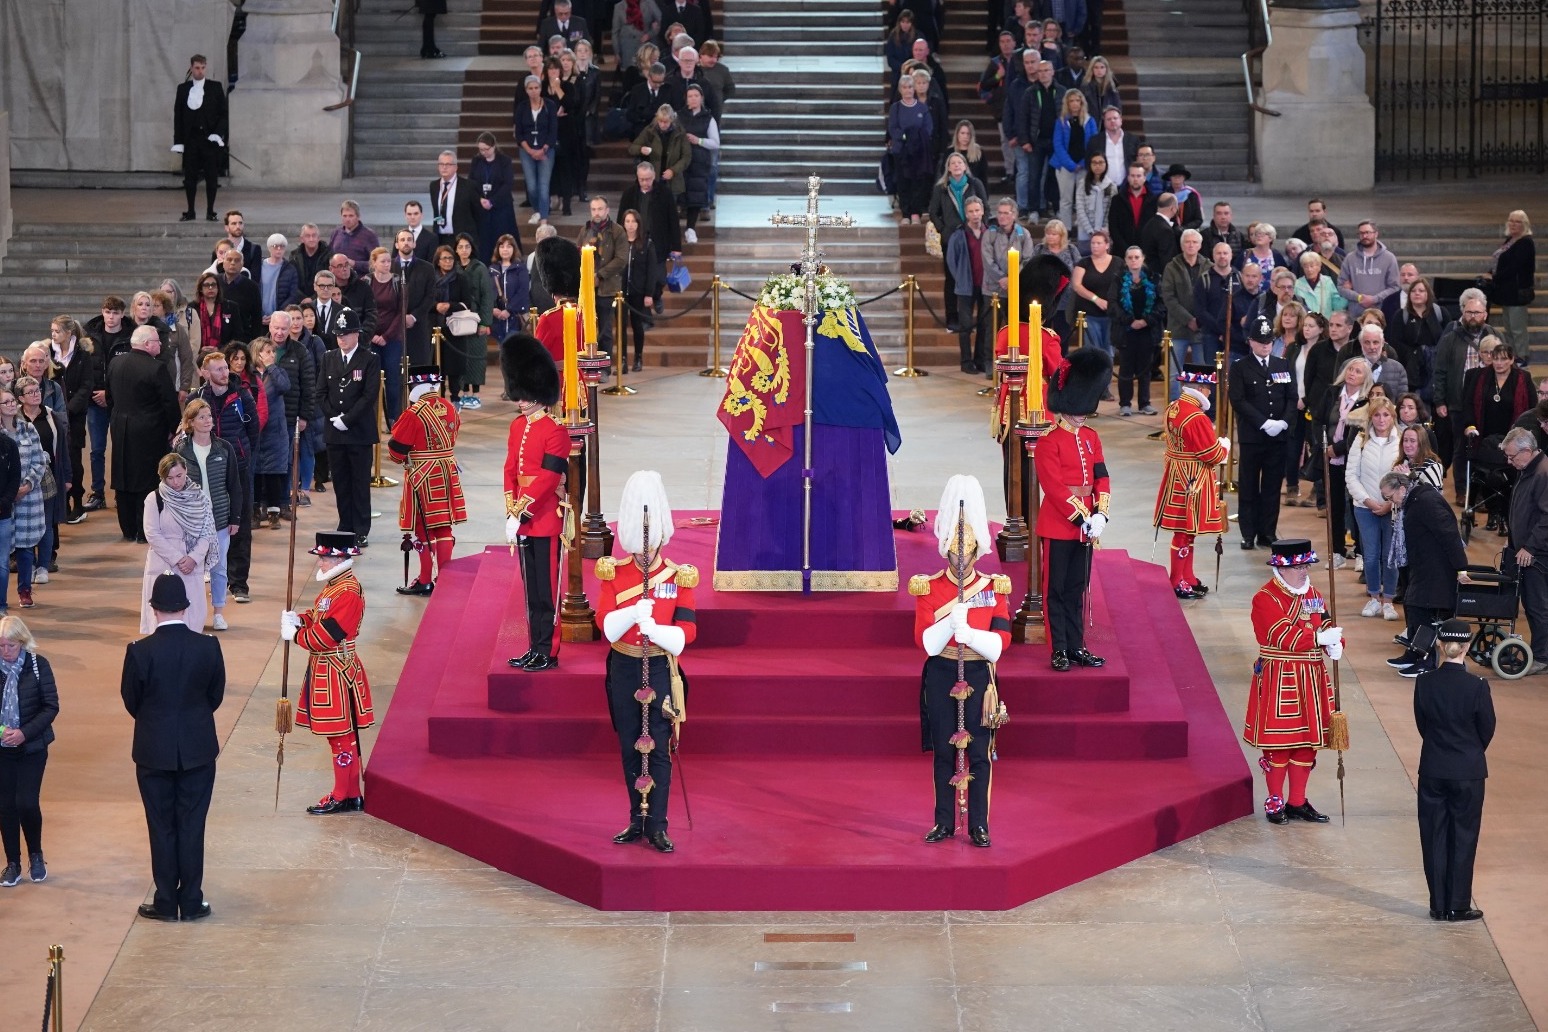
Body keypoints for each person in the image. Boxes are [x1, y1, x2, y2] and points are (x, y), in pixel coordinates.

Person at [593, 470, 696, 854]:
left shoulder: (678, 577)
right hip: (623, 668)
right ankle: (636, 819)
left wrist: (657, 628)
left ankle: (657, 824)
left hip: (659, 669)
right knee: (628, 746)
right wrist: (634, 613)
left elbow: (686, 634)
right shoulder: (614, 574)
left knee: (659, 749)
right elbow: (605, 626)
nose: (645, 552)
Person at [910, 474, 1010, 848]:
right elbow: (926, 643)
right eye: (955, 553)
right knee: (943, 752)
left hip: (979, 674)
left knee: (980, 754)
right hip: (941, 671)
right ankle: (944, 822)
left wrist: (972, 635)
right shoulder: (930, 586)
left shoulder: (993, 587)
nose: (961, 561)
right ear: (946, 551)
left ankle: (979, 824)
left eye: (967, 554)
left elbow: (1000, 645)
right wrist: (949, 624)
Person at [122, 572, 225, 920]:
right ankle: (192, 901)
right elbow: (215, 695)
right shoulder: (208, 646)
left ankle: (166, 901)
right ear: (185, 606)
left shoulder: (139, 652)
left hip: (153, 750)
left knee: (161, 825)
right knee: (193, 824)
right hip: (197, 749)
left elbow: (131, 701)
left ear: (154, 609)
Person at [1243, 539, 1342, 825]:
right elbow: (1280, 636)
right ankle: (1274, 800)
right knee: (1279, 743)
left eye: (1305, 565)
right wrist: (1318, 639)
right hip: (1280, 678)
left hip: (1311, 677)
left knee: (1306, 742)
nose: (1303, 571)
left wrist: (1334, 642)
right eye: (1297, 566)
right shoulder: (1265, 598)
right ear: (1281, 568)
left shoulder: (1312, 592)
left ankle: (1297, 801)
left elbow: (1322, 621)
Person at [281, 532, 374, 815]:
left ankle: (342, 794)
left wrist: (296, 636)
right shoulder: (336, 585)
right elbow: (321, 616)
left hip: (336, 670)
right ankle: (350, 793)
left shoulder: (346, 591)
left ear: (340, 557)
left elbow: (327, 636)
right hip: (327, 668)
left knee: (341, 736)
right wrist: (301, 619)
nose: (320, 562)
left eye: (325, 556)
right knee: (341, 736)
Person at [1412, 617, 1495, 921]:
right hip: (1468, 771)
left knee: (1433, 836)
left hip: (1433, 767)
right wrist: (1469, 753)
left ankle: (1438, 904)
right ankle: (1458, 904)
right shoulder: (1477, 686)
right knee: (1464, 836)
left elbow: (1423, 724)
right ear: (1467, 647)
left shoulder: (1424, 683)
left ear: (1439, 644)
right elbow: (1486, 728)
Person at [1036, 348, 1113, 671]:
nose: (1083, 414)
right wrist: (1082, 515)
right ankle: (1059, 648)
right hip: (1059, 524)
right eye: (1078, 409)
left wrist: (1101, 514)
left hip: (1086, 528)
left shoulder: (1092, 438)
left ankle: (1077, 645)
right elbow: (1053, 487)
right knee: (1055, 589)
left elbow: (1101, 476)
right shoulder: (1048, 441)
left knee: (1076, 589)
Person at [502, 335, 570, 672]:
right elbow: (510, 470)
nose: (520, 399)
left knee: (547, 592)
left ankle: (548, 650)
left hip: (544, 520)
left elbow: (548, 479)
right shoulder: (517, 427)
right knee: (531, 592)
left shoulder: (555, 431)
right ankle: (534, 646)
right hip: (523, 518)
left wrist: (522, 510)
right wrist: (511, 512)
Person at [388, 366, 467, 596]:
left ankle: (424, 579)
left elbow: (396, 451)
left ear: (414, 387)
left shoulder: (413, 413)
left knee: (423, 529)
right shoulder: (451, 407)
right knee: (444, 525)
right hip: (447, 471)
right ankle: (444, 578)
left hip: (423, 475)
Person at [1155, 364, 1229, 598]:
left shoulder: (1173, 407)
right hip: (1193, 479)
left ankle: (1187, 575)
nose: (1210, 393)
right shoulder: (1196, 417)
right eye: (1208, 389)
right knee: (1184, 531)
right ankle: (1177, 579)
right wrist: (1224, 447)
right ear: (1201, 387)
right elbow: (1212, 455)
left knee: (1188, 530)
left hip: (1178, 473)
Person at [1381, 472, 1466, 675]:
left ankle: (1426, 660)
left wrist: (1461, 567)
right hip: (1423, 565)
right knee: (1413, 606)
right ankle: (1415, 654)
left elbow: (1449, 534)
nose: (1390, 502)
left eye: (1389, 497)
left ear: (1402, 488)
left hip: (1437, 568)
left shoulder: (1426, 501)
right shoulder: (1414, 500)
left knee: (1423, 610)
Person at [0, 615, 57, 887]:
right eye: (0, 646)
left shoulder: (38, 665)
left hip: (32, 747)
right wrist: (3, 732)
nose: (5, 651)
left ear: (22, 642)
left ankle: (36, 853)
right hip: (2, 749)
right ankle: (13, 862)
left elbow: (50, 707)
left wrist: (24, 733)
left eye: (10, 646)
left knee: (26, 802)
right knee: (5, 806)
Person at [174, 400, 239, 632]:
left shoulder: (224, 448)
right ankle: (192, 612)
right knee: (192, 567)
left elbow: (234, 485)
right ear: (190, 422)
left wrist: (235, 518)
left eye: (209, 415)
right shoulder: (181, 450)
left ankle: (219, 612)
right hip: (191, 521)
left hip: (220, 519)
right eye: (201, 417)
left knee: (219, 567)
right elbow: (173, 485)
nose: (207, 420)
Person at [1231, 316, 1295, 550]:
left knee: (1271, 487)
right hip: (1252, 437)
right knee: (1248, 486)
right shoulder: (1240, 367)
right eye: (1260, 341)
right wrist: (1263, 422)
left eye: (1268, 340)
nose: (1265, 345)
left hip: (1277, 438)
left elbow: (1291, 397)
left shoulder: (1282, 365)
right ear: (1251, 342)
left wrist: (1284, 423)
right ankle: (1248, 533)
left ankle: (1267, 532)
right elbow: (1238, 400)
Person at [319, 308, 381, 546]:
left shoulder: (369, 359)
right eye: (338, 334)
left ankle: (361, 528)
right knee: (341, 482)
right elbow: (321, 392)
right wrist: (334, 417)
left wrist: (347, 419)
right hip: (335, 432)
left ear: (357, 334)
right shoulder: (329, 358)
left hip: (358, 432)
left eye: (346, 334)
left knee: (359, 482)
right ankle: (345, 524)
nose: (341, 338)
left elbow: (369, 396)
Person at [140, 453, 218, 633]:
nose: (176, 482)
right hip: (163, 565)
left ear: (186, 471)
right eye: (170, 478)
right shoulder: (154, 499)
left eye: (179, 476)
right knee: (161, 622)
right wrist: (178, 559)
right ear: (163, 477)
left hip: (192, 567)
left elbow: (207, 532)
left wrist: (193, 558)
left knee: (192, 620)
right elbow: (152, 533)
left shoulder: (201, 498)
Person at [1346, 398, 1402, 618]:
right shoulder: (1360, 441)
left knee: (1391, 556)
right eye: (1377, 415)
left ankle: (1388, 600)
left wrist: (1390, 502)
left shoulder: (1400, 442)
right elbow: (1351, 475)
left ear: (1392, 418)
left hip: (1393, 509)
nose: (1381, 420)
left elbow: (1404, 477)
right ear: (1370, 418)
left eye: (1386, 415)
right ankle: (1373, 597)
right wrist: (1368, 500)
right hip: (1364, 507)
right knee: (1370, 555)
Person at [1503, 428, 1548, 675]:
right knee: (1534, 604)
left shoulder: (1542, 474)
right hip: (1526, 549)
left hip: (1538, 554)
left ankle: (1542, 656)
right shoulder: (1528, 470)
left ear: (1527, 451)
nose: (1509, 462)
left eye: (1512, 456)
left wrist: (1530, 547)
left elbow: (1546, 517)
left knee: (1537, 605)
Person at [1324, 357, 1373, 568]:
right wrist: (1324, 445)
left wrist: (1338, 448)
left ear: (1366, 379)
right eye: (1350, 369)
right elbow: (1320, 420)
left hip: (1354, 458)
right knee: (1334, 505)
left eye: (1358, 371)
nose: (1352, 373)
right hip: (1331, 458)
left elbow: (1360, 432)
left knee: (1357, 505)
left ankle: (1361, 552)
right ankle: (1337, 551)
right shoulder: (1333, 393)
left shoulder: (1367, 401)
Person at [928, 154, 988, 326]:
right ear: (948, 167)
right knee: (952, 278)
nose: (956, 165)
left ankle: (977, 319)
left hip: (974, 236)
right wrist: (944, 229)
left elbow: (985, 205)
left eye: (959, 162)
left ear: (965, 165)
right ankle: (952, 318)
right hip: (951, 238)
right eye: (952, 163)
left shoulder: (975, 184)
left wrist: (981, 226)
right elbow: (933, 212)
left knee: (976, 276)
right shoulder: (941, 188)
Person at [171, 55, 227, 223]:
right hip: (191, 140)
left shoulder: (215, 88)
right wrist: (178, 141)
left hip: (209, 140)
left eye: (202, 67)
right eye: (197, 68)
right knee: (190, 178)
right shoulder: (183, 89)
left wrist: (217, 133)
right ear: (191, 68)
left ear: (206, 67)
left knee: (211, 177)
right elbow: (178, 117)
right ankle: (190, 211)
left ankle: (211, 211)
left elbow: (223, 114)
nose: (200, 71)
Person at [1111, 244, 1161, 416]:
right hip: (1126, 331)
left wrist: (1146, 321)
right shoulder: (1118, 279)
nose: (1134, 260)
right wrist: (1130, 321)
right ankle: (1125, 403)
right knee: (1126, 368)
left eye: (1137, 257)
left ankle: (1144, 403)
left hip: (1147, 331)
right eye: (1130, 257)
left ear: (1143, 259)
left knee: (1145, 369)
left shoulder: (1154, 278)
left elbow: (1160, 304)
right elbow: (1113, 304)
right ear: (1125, 260)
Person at [1483, 210, 1535, 362]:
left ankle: (1522, 357)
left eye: (1517, 221)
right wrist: (1490, 272)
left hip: (1517, 294)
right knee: (1509, 328)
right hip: (1507, 293)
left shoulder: (1525, 243)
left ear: (1524, 224)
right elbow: (1500, 262)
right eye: (1511, 221)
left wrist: (1494, 276)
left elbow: (1514, 267)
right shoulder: (1511, 240)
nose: (1513, 224)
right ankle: (1513, 356)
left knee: (1518, 329)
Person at [946, 196, 990, 374]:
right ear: (966, 213)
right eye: (971, 211)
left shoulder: (990, 233)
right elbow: (952, 261)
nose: (975, 215)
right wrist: (961, 278)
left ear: (983, 211)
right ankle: (966, 361)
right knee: (965, 325)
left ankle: (980, 360)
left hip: (986, 286)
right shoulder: (958, 235)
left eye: (977, 210)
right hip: (966, 287)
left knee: (984, 324)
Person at [452, 234, 495, 409]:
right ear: (456, 249)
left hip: (477, 318)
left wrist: (485, 322)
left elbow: (487, 296)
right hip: (458, 319)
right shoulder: (453, 267)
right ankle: (462, 393)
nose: (464, 250)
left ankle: (475, 394)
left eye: (467, 246)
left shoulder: (479, 268)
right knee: (461, 357)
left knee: (476, 358)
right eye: (460, 247)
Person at [888, 75, 935, 224]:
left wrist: (916, 139)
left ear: (914, 89)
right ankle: (906, 214)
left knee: (918, 183)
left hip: (919, 152)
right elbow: (893, 129)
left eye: (910, 87)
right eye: (904, 87)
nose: (908, 90)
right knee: (903, 183)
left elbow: (928, 128)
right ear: (900, 90)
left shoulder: (922, 107)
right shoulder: (896, 108)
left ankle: (916, 212)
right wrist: (905, 137)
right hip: (901, 152)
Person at [514, 75, 559, 227]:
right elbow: (519, 133)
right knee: (532, 186)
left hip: (546, 150)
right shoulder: (521, 107)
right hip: (527, 151)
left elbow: (553, 131)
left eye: (536, 88)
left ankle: (544, 221)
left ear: (541, 88)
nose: (534, 91)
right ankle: (539, 210)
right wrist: (530, 151)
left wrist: (543, 149)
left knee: (543, 185)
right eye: (530, 88)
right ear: (526, 90)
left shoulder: (550, 105)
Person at [620, 209, 662, 372]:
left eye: (633, 221)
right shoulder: (619, 243)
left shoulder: (647, 244)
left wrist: (649, 294)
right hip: (621, 293)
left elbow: (652, 271)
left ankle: (638, 357)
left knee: (637, 325)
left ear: (638, 224)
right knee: (621, 326)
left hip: (639, 291)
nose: (630, 225)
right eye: (627, 221)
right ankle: (622, 360)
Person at [1049, 89, 1095, 230]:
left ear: (1082, 103)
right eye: (1071, 101)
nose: (1075, 104)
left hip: (1084, 166)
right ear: (1067, 104)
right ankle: (1066, 231)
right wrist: (1070, 164)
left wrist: (1082, 163)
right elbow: (1058, 145)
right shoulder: (1061, 122)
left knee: (1084, 200)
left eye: (1077, 101)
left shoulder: (1089, 121)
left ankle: (1084, 231)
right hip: (1065, 166)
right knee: (1066, 200)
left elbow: (1093, 144)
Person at [1337, 220, 1401, 320]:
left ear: (1376, 234)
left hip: (1381, 315)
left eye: (1367, 232)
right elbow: (1341, 287)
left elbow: (1395, 287)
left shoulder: (1389, 258)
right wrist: (1359, 298)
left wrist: (1375, 299)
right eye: (1361, 233)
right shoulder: (1350, 258)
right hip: (1356, 316)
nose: (1364, 236)